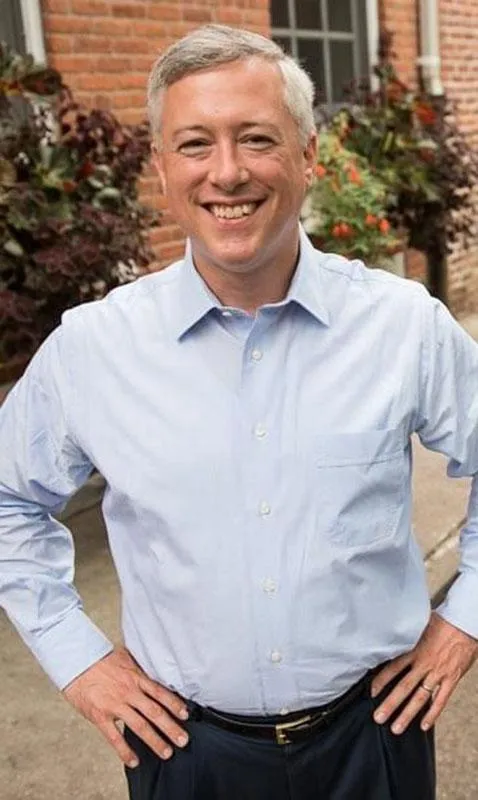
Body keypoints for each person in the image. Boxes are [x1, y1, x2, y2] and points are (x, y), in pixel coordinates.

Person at [1, 23, 478, 800]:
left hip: (374, 742)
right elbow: (7, 500)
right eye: (195, 144)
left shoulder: (403, 328)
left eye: (256, 138)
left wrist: (463, 624)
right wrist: (77, 659)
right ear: (162, 167)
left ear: (308, 155)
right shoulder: (92, 350)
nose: (227, 173)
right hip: (186, 753)